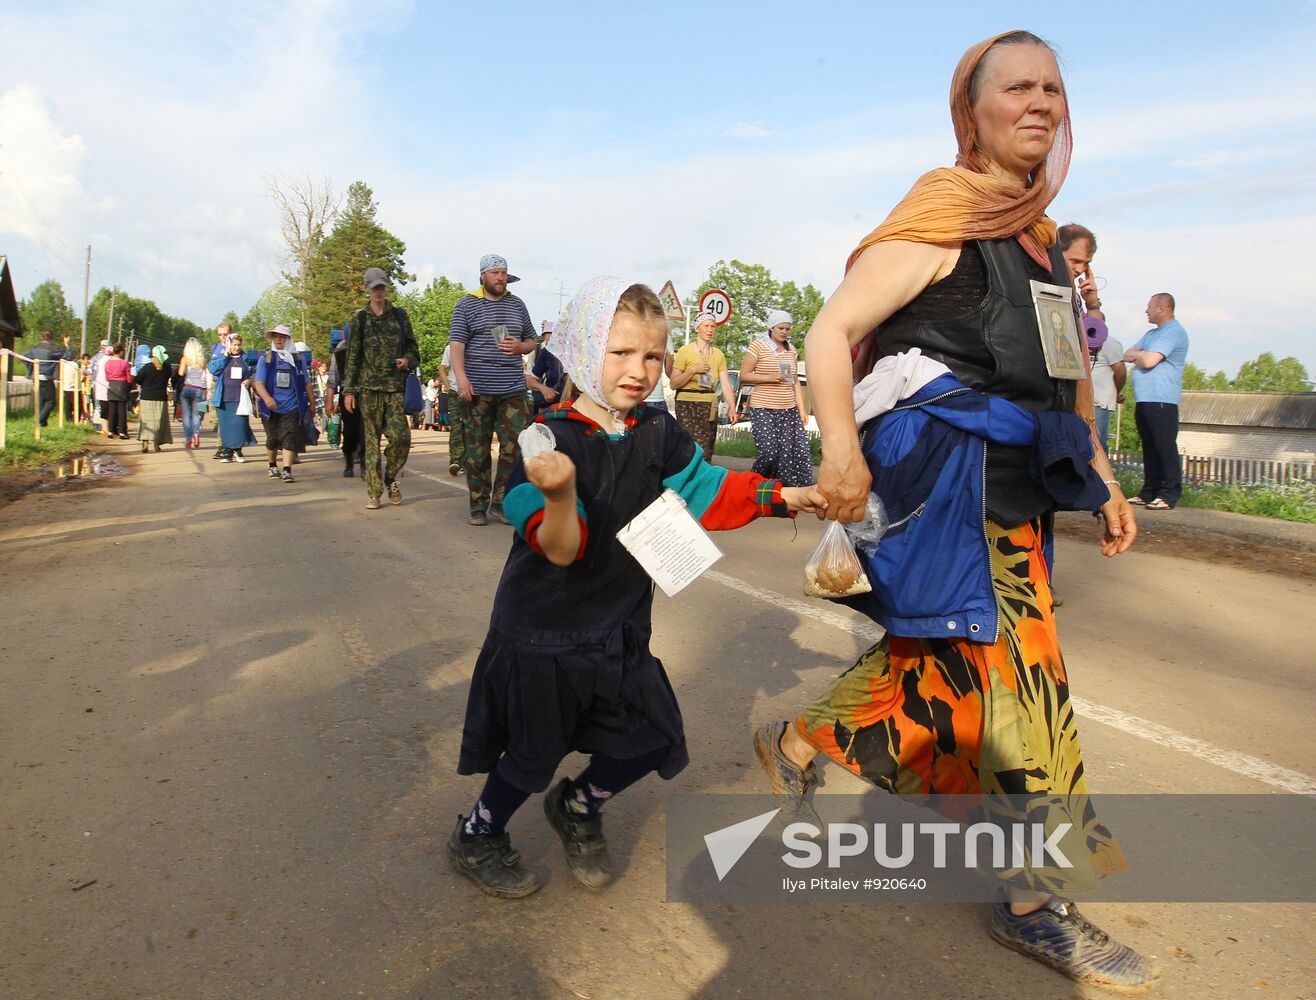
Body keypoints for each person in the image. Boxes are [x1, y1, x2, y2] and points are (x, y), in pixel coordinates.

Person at [750, 32, 1154, 994]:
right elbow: (831, 330)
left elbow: (1070, 377)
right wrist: (839, 452)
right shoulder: (940, 221)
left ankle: (801, 739)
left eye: (1053, 87)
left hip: (1019, 493)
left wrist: (1101, 474)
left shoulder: (1043, 239)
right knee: (1025, 693)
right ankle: (1035, 904)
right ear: (970, 112)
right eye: (1017, 87)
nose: (1041, 102)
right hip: (949, 496)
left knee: (939, 660)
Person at [449, 277, 822, 899]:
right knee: (532, 755)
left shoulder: (658, 430)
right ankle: (479, 832)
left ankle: (578, 806)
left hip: (618, 625)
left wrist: (790, 497)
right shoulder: (546, 439)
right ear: (582, 347)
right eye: (620, 352)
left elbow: (707, 490)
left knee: (650, 738)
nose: (639, 370)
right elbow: (559, 546)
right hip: (544, 631)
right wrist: (562, 493)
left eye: (652, 356)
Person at [448, 254, 538, 526]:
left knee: (514, 448)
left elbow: (531, 339)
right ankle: (478, 506)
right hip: (477, 389)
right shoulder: (467, 305)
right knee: (478, 451)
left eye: (504, 273)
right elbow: (457, 346)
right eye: (496, 273)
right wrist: (461, 379)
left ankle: (500, 502)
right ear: (483, 276)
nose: (501, 277)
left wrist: (521, 347)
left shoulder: (517, 304)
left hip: (512, 388)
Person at [342, 268, 420, 508]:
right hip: (369, 389)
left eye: (382, 287)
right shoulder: (360, 319)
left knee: (401, 438)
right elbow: (353, 356)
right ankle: (374, 493)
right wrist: (348, 390)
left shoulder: (399, 316)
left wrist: (407, 360)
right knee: (372, 442)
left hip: (395, 388)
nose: (378, 291)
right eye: (373, 287)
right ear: (366, 288)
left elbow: (413, 349)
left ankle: (390, 477)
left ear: (386, 288)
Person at [1058, 223, 1123, 451]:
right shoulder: (1045, 287)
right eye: (1074, 261)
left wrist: (1092, 302)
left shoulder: (1074, 297)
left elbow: (1094, 341)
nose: (1079, 269)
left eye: (1086, 264)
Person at [1124, 293, 1189, 510]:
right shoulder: (1152, 334)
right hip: (1144, 398)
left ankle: (1169, 493)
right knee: (1149, 447)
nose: (1146, 311)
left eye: (1149, 306)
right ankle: (1148, 491)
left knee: (1164, 446)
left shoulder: (1173, 332)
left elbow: (1150, 360)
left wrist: (1141, 356)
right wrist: (1140, 356)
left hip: (1162, 400)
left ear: (1162, 308)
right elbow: (1127, 354)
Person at [739, 309, 813, 486]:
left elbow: (793, 380)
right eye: (781, 328)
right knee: (769, 452)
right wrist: (769, 378)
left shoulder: (791, 350)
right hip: (763, 408)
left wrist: (801, 409)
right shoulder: (758, 346)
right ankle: (752, 483)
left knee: (789, 453)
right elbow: (744, 375)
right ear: (771, 328)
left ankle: (781, 490)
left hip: (788, 410)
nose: (784, 332)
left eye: (788, 329)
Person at [253, 324, 316, 484]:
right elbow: (259, 383)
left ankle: (287, 470)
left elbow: (306, 383)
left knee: (289, 437)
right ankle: (272, 464)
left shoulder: (298, 359)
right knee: (272, 439)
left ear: (288, 338)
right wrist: (267, 398)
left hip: (293, 406)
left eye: (282, 336)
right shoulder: (266, 358)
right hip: (271, 407)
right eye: (276, 336)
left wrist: (312, 404)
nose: (279, 339)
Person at [671, 312, 737, 460]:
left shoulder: (718, 354)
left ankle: (704, 481)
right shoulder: (685, 351)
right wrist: (692, 370)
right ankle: (686, 480)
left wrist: (732, 407)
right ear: (697, 328)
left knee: (707, 447)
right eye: (706, 326)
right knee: (691, 446)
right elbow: (674, 383)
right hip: (687, 403)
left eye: (713, 327)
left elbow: (726, 384)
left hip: (709, 404)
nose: (710, 330)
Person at [208, 332, 257, 462]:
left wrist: (249, 381)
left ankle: (239, 450)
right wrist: (225, 355)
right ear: (229, 344)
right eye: (234, 344)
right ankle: (228, 451)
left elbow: (253, 373)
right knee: (225, 426)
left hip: (239, 397)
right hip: (224, 397)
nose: (236, 347)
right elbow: (213, 370)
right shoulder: (220, 357)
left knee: (240, 424)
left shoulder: (246, 358)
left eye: (238, 345)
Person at [326, 325, 366, 478]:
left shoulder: (368, 348)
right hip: (346, 394)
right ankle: (349, 462)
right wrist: (329, 401)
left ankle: (364, 464)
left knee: (365, 432)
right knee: (349, 431)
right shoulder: (341, 350)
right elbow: (333, 378)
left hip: (366, 394)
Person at [131, 346, 174, 452]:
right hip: (160, 398)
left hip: (147, 398)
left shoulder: (147, 367)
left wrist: (134, 373)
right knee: (159, 422)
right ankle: (156, 445)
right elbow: (169, 377)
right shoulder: (167, 368)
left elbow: (138, 380)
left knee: (146, 421)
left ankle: (145, 443)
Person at [26, 330, 71, 427]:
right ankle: (38, 420)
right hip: (47, 378)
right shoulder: (53, 349)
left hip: (36, 378)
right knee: (51, 402)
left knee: (41, 401)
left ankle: (42, 424)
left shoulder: (34, 348)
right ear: (51, 338)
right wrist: (66, 344)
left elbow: (25, 357)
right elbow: (67, 356)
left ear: (41, 337)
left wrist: (31, 369)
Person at [176, 338, 210, 449]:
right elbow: (207, 375)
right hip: (199, 389)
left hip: (187, 388)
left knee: (186, 415)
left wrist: (185, 369)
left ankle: (188, 439)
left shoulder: (185, 359)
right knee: (196, 414)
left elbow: (181, 373)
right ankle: (196, 434)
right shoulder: (203, 361)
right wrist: (208, 390)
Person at [529, 322, 566, 414]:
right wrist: (544, 389)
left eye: (554, 333)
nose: (551, 336)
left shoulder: (577, 352)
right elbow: (530, 379)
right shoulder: (545, 352)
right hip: (551, 403)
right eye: (548, 333)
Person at [102, 343, 132, 439]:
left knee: (112, 410)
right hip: (121, 386)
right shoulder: (124, 363)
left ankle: (111, 431)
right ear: (121, 352)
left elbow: (107, 377)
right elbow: (129, 379)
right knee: (121, 410)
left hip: (111, 385)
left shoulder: (108, 363)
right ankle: (122, 432)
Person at [90, 339, 112, 435]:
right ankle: (105, 427)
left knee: (97, 406)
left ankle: (96, 426)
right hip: (105, 385)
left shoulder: (94, 358)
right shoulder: (107, 358)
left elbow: (90, 372)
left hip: (95, 384)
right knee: (105, 406)